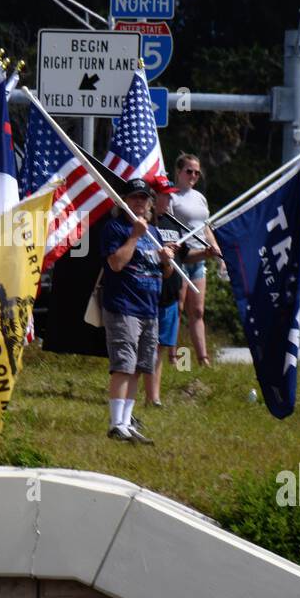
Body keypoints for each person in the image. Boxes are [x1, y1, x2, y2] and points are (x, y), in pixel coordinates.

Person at [100, 178, 175, 444]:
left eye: (144, 198)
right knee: (123, 364)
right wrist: (134, 236)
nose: (140, 202)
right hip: (124, 306)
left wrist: (167, 261)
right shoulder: (116, 228)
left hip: (149, 309)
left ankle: (126, 422)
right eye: (134, 198)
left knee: (139, 367)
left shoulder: (153, 232)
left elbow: (163, 273)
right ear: (124, 201)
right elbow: (116, 264)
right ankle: (115, 422)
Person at [169, 154, 222, 367]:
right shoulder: (171, 196)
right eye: (189, 171)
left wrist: (217, 252)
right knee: (178, 307)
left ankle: (203, 358)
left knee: (198, 310)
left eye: (197, 172)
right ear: (179, 172)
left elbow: (205, 227)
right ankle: (173, 357)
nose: (193, 176)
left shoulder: (200, 197)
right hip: (181, 257)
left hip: (200, 256)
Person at [143, 179, 187, 407]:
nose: (169, 199)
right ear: (154, 197)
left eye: (171, 196)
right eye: (165, 195)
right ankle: (150, 396)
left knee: (160, 348)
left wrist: (207, 254)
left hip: (171, 296)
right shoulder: (145, 225)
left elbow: (185, 258)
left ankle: (154, 396)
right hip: (150, 294)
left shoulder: (173, 223)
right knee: (148, 347)